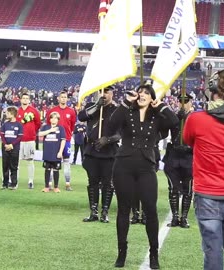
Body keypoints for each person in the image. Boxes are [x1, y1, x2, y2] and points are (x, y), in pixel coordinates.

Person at [183, 69, 224, 270]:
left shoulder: (197, 119)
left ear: (212, 89)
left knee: (213, 248)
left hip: (207, 193)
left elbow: (188, 141)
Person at [109, 84, 178, 269]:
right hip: (123, 165)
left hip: (146, 167)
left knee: (151, 210)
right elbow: (111, 124)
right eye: (140, 92)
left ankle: (154, 254)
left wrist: (161, 105)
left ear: (152, 97)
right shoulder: (126, 111)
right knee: (124, 210)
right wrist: (125, 102)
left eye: (147, 93)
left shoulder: (157, 115)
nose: (142, 95)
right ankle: (122, 253)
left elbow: (174, 122)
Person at [78, 86, 120, 223]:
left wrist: (107, 139)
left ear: (112, 94)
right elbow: (82, 116)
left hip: (109, 152)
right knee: (93, 182)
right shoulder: (92, 106)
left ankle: (105, 212)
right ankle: (93, 211)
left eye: (106, 92)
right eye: (101, 91)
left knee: (108, 183)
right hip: (92, 150)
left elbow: (121, 133)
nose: (103, 94)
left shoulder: (116, 110)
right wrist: (97, 106)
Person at [163, 93, 194, 228]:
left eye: (185, 101)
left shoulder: (195, 118)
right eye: (180, 101)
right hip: (174, 155)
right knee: (173, 189)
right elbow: (164, 130)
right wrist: (176, 118)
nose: (183, 103)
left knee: (187, 189)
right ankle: (175, 216)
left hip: (188, 155)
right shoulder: (173, 116)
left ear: (190, 102)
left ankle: (184, 217)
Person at [46, 91, 76, 191]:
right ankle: (49, 184)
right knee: (51, 162)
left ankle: (67, 184)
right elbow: (48, 124)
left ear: (67, 99)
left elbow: (72, 126)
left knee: (66, 161)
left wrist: (67, 135)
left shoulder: (71, 111)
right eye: (61, 97)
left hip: (66, 140)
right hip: (54, 140)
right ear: (58, 98)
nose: (63, 99)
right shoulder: (52, 111)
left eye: (65, 97)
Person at [17, 91, 41, 189]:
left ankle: (30, 181)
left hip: (30, 140)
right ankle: (15, 180)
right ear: (20, 100)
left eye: (27, 98)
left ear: (29, 100)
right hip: (18, 141)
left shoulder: (34, 111)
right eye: (24, 98)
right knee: (16, 162)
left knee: (30, 161)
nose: (25, 100)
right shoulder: (17, 111)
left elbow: (38, 123)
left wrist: (31, 131)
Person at [38, 112, 66, 193]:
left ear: (58, 120)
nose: (53, 119)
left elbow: (63, 140)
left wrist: (60, 152)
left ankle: (56, 187)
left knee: (56, 170)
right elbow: (39, 134)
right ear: (49, 119)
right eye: (52, 118)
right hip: (47, 153)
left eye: (55, 118)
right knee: (47, 169)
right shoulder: (45, 127)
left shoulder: (61, 128)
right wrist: (50, 130)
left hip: (56, 153)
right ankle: (46, 187)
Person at [0, 107, 23, 190]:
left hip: (15, 148)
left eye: (7, 113)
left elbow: (19, 137)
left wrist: (11, 145)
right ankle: (5, 183)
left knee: (13, 166)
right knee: (5, 166)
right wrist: (6, 144)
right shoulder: (5, 124)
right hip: (5, 148)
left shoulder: (19, 125)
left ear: (12, 114)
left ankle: (13, 183)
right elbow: (2, 135)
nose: (6, 114)